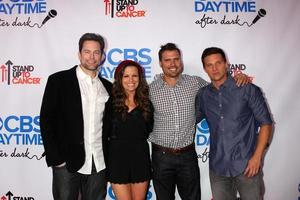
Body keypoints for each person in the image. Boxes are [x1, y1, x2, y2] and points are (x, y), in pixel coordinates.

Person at [149, 43, 249, 200]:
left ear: (181, 61)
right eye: (167, 60)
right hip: (160, 156)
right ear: (161, 63)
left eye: (176, 59)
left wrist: (237, 77)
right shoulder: (150, 89)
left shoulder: (195, 83)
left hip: (187, 155)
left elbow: (220, 87)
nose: (173, 64)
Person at [40, 33, 112, 200]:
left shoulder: (108, 87)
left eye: (96, 52)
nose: (92, 57)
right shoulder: (59, 81)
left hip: (99, 163)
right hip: (67, 163)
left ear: (102, 56)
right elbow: (46, 120)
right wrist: (56, 159)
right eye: (87, 52)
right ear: (79, 54)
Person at [196, 47, 273, 200]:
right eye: (209, 65)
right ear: (204, 68)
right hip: (218, 167)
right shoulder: (203, 95)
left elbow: (266, 124)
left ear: (226, 64)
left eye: (218, 63)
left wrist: (257, 157)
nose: (215, 68)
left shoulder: (247, 89)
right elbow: (191, 119)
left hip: (247, 165)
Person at [105, 60, 153, 200]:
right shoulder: (110, 102)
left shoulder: (146, 103)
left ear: (140, 78)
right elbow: (104, 132)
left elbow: (149, 129)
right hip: (117, 160)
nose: (131, 80)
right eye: (126, 76)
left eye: (135, 76)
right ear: (120, 79)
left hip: (140, 160)